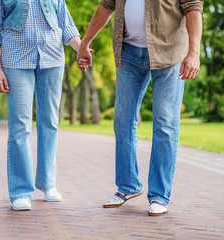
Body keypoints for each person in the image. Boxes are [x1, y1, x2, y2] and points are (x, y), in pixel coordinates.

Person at [77, 0, 203, 216]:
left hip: (169, 52)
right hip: (128, 53)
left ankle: (159, 196)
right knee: (122, 120)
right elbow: (106, 6)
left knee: (165, 123)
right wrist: (84, 43)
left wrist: (194, 52)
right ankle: (128, 185)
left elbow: (193, 8)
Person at [0, 0, 81, 211]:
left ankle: (48, 184)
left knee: (50, 122)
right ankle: (21, 191)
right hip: (15, 60)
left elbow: (65, 25)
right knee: (20, 125)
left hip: (53, 58)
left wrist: (81, 48)